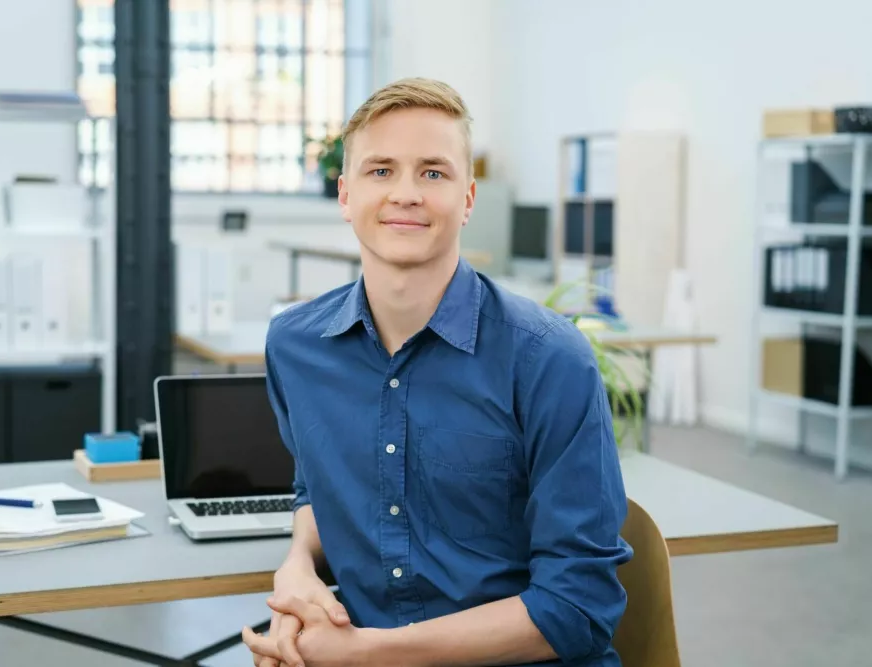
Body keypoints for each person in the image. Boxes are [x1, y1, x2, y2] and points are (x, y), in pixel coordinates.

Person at [243, 77, 632, 667]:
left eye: (433, 172)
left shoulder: (550, 359)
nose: (406, 193)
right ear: (345, 195)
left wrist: (364, 654)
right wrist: (298, 565)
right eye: (381, 171)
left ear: (468, 198)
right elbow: (313, 485)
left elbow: (579, 608)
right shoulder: (294, 345)